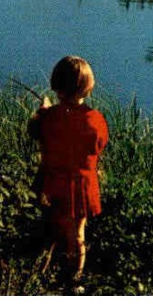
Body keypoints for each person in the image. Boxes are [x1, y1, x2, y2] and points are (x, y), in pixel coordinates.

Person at [28, 55, 109, 289]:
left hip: (54, 182)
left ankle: (50, 271)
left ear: (57, 86)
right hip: (83, 185)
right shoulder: (96, 120)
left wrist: (41, 111)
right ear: (87, 89)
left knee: (57, 225)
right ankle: (75, 279)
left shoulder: (50, 117)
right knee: (78, 231)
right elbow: (99, 144)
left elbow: (34, 131)